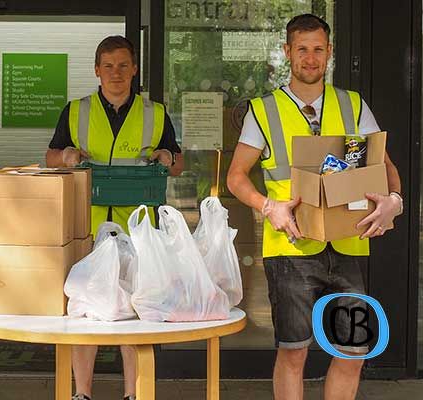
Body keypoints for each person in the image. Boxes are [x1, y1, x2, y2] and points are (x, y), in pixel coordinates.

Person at [227, 14, 403, 400]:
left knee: (355, 349)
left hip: (348, 246)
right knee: (294, 352)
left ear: (330, 53)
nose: (310, 58)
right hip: (290, 248)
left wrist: (395, 200)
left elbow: (385, 167)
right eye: (302, 49)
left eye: (318, 49)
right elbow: (236, 177)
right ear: (288, 52)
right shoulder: (264, 110)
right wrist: (268, 206)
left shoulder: (353, 105)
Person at [46, 35, 184, 400]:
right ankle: (83, 394)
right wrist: (68, 156)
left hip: (139, 231)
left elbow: (178, 162)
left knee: (136, 313)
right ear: (96, 70)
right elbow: (50, 157)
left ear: (134, 69)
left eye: (123, 65)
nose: (116, 73)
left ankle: (132, 394)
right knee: (85, 313)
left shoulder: (155, 113)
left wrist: (168, 158)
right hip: (86, 229)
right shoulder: (76, 111)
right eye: (108, 66)